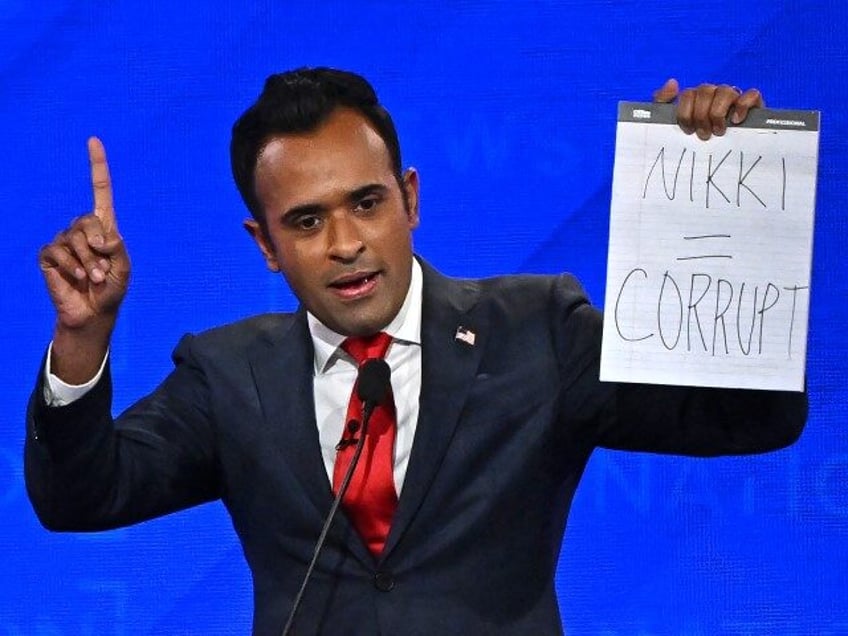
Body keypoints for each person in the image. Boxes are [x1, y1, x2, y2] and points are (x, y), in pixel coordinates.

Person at [26, 68, 807, 635]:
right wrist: (82, 337)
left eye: (366, 203)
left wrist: (707, 216)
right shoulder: (229, 374)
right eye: (305, 222)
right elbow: (80, 498)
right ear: (264, 245)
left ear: (410, 197)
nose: (345, 244)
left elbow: (747, 419)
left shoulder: (539, 332)